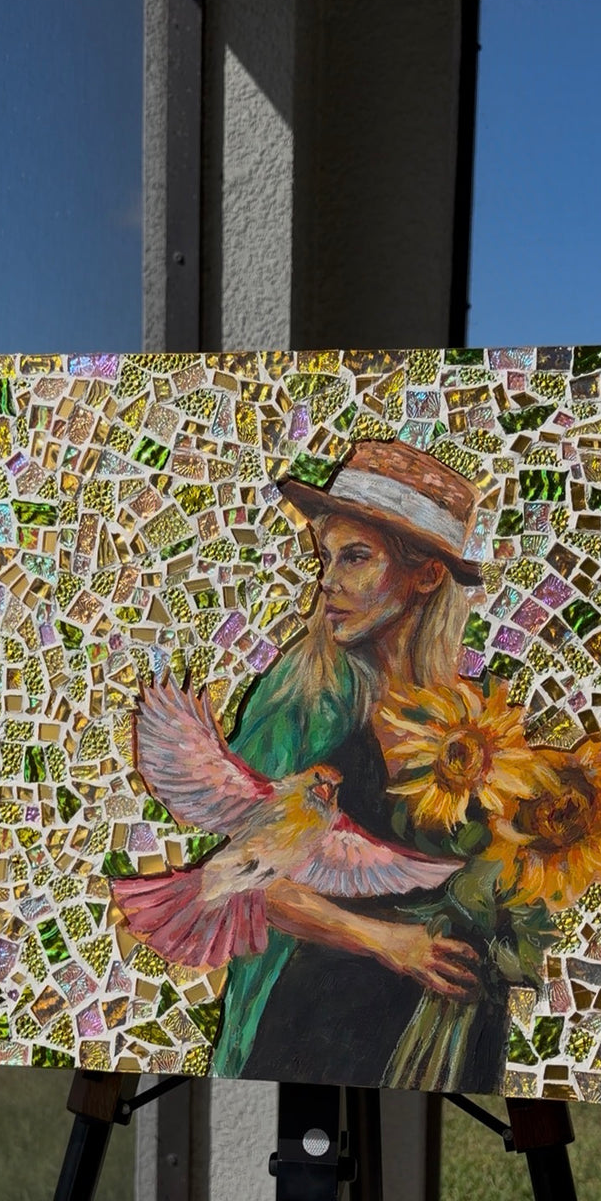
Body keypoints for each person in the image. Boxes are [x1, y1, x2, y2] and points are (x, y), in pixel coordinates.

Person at [209, 438, 506, 1089]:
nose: (327, 581)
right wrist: (389, 943)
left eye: (355, 557)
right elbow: (247, 876)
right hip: (315, 1020)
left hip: (443, 1029)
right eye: (326, 557)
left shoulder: (471, 715)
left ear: (427, 575)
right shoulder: (307, 697)